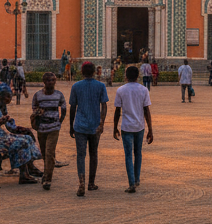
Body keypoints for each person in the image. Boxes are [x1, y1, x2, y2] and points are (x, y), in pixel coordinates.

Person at [0, 86, 43, 183]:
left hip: (0, 138)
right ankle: (24, 174)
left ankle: (30, 168)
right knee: (21, 142)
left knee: (27, 138)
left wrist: (7, 121)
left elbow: (6, 126)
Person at [69, 61, 109, 197]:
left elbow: (73, 107)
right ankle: (91, 183)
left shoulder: (76, 86)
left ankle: (81, 181)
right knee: (93, 154)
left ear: (81, 72)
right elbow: (104, 105)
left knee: (81, 155)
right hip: (95, 126)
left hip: (80, 125)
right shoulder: (100, 86)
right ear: (94, 72)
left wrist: (70, 126)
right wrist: (102, 123)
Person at [113, 65, 153, 193]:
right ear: (138, 76)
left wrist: (115, 127)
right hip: (139, 126)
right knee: (138, 153)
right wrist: (150, 129)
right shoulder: (143, 90)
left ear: (126, 76)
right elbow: (147, 110)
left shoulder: (121, 90)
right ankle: (137, 179)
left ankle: (131, 183)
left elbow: (117, 111)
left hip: (126, 127)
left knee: (128, 155)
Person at [31, 71, 67, 191]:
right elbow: (34, 107)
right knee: (44, 153)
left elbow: (64, 108)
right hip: (42, 128)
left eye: (53, 80)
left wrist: (59, 121)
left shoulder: (59, 95)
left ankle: (47, 178)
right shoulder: (38, 95)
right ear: (44, 82)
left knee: (49, 152)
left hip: (54, 128)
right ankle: (47, 172)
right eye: (49, 80)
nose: (51, 83)